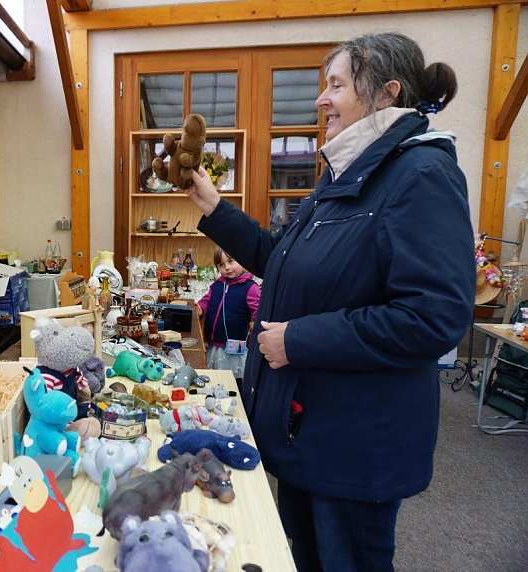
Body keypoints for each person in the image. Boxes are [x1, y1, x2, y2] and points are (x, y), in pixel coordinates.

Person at [184, 33, 474, 571]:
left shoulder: (421, 175)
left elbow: (433, 317)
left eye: (336, 85)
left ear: (385, 93)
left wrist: (297, 340)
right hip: (313, 434)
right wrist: (214, 207)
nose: (322, 99)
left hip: (357, 446)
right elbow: (281, 259)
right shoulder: (347, 174)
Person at [195, 246, 261, 379]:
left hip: (235, 350)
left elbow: (259, 312)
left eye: (231, 261)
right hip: (214, 345)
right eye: (221, 265)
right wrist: (200, 308)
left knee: (231, 380)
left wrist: (256, 324)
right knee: (214, 379)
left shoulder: (251, 288)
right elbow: (206, 300)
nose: (227, 268)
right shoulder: (217, 285)